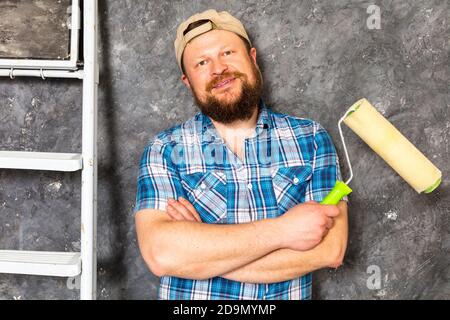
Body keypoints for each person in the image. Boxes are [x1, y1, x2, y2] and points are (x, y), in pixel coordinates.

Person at [134, 9, 348, 300]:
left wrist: (201, 254)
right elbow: (162, 254)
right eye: (201, 62)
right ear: (188, 82)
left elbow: (329, 250)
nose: (218, 69)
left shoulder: (310, 139)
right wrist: (283, 231)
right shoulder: (166, 150)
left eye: (227, 53)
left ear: (252, 58)